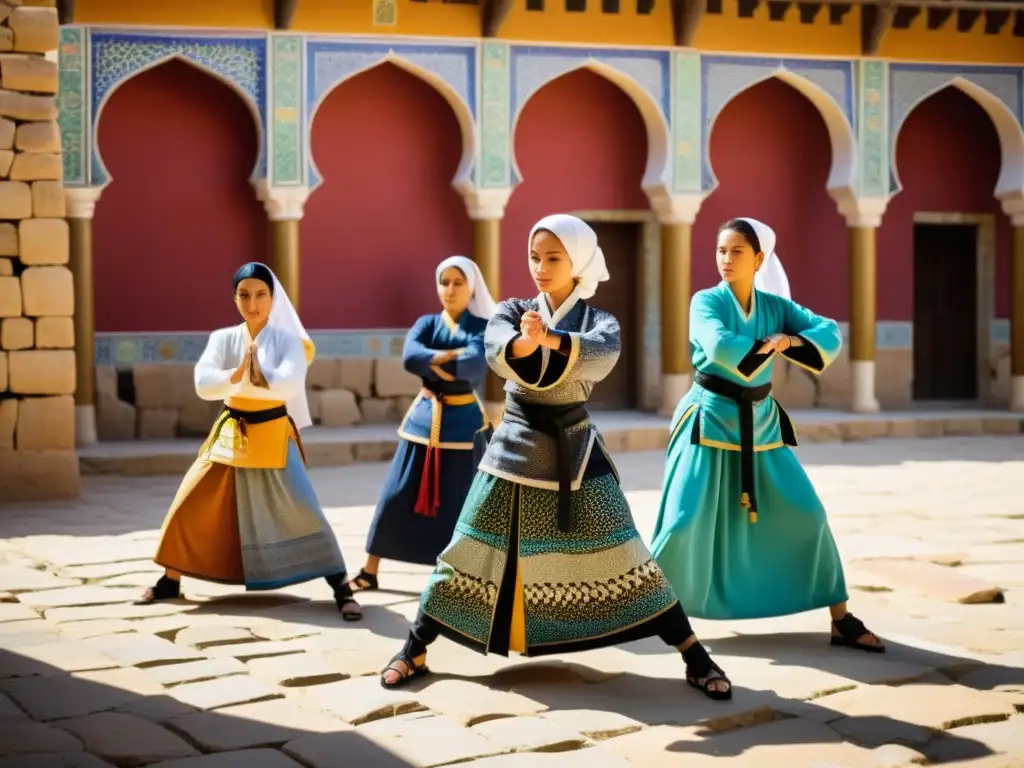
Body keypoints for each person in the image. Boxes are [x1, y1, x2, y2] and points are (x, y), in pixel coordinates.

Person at [379, 214, 732, 700]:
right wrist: (529, 338)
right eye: (534, 257)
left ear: (578, 262)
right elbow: (499, 348)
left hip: (576, 449)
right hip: (512, 445)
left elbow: (602, 354)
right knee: (466, 548)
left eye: (552, 258)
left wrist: (552, 339)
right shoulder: (511, 309)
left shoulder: (599, 321)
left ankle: (694, 654)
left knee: (627, 550)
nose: (540, 268)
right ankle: (415, 647)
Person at [650, 218, 884, 652]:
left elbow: (828, 331)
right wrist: (771, 346)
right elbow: (718, 346)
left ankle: (841, 618)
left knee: (809, 514)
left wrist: (788, 342)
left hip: (760, 424)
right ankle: (646, 611)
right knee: (682, 523)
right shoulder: (706, 301)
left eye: (737, 251)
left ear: (759, 259)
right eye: (721, 250)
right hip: (708, 421)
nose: (726, 259)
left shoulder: (776, 306)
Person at [135, 262, 362, 621]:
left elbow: (288, 383)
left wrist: (255, 377)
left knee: (303, 509)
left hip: (273, 431)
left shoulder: (291, 342)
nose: (252, 303)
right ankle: (171, 578)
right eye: (244, 295)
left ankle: (341, 586)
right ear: (234, 298)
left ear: (273, 298)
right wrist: (237, 374)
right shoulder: (223, 339)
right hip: (230, 431)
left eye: (260, 294)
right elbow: (204, 383)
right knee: (189, 500)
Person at [349, 256, 495, 592]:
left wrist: (432, 361)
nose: (450, 289)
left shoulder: (481, 327)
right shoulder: (427, 323)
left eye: (458, 282)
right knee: (395, 495)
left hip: (462, 425)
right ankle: (370, 570)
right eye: (445, 282)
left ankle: (461, 574)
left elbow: (474, 366)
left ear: (471, 287)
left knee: (462, 502)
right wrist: (446, 359)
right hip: (422, 420)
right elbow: (409, 357)